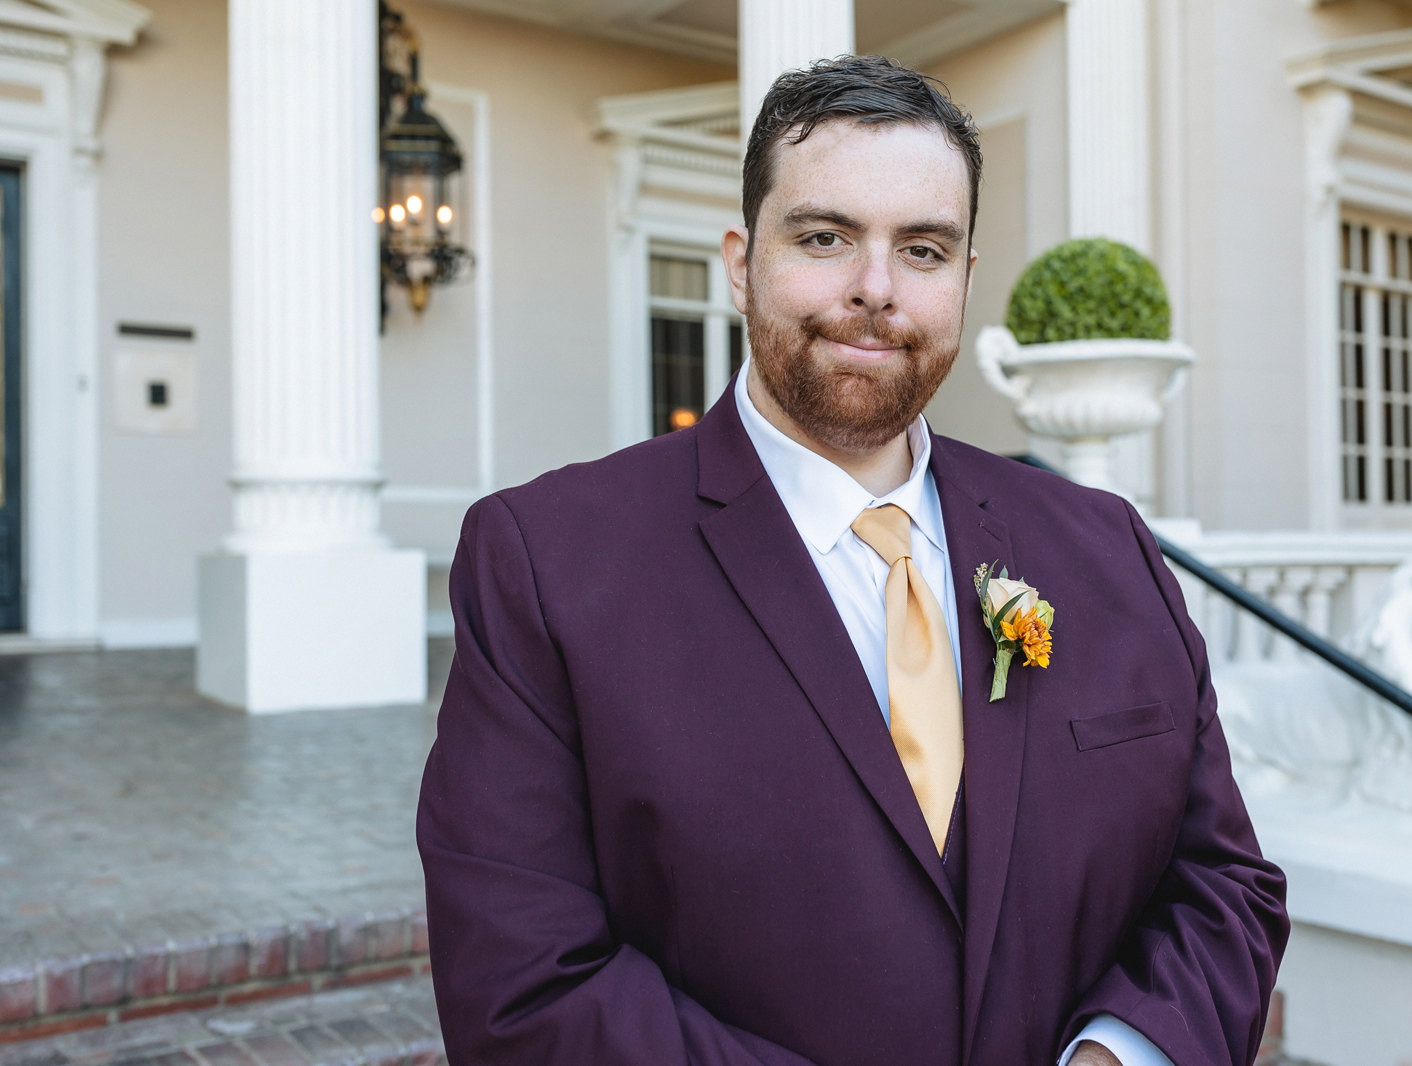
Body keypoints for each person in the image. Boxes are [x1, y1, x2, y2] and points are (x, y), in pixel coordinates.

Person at [417, 55, 1289, 1066]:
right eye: (825, 238)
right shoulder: (546, 561)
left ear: (964, 281)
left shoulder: (1106, 547)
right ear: (741, 262)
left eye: (922, 250)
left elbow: (1222, 882)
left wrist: (1118, 1055)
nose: (875, 290)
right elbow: (525, 986)